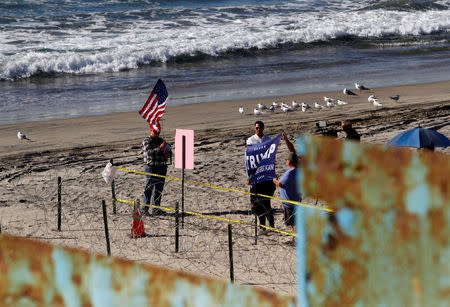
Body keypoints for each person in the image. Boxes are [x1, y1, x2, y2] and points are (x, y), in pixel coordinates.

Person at [245, 121, 295, 233]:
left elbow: (271, 156)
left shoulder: (268, 139)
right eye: (257, 128)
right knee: (258, 204)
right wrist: (249, 176)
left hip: (266, 176)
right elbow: (249, 160)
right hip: (256, 176)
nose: (259, 130)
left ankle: (271, 226)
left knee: (267, 203)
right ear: (254, 128)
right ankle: (262, 227)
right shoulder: (250, 140)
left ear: (263, 128)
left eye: (260, 128)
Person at [141, 122, 171, 215]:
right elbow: (149, 152)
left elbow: (169, 151)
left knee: (159, 188)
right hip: (151, 167)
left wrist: (167, 153)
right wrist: (159, 148)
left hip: (162, 166)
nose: (157, 134)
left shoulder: (161, 140)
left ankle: (156, 209)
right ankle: (144, 209)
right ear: (151, 131)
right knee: (149, 188)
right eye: (155, 132)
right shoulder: (146, 141)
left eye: (158, 132)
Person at [273, 152, 301, 245]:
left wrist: (274, 180)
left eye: (287, 159)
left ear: (290, 161)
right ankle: (294, 239)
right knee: (294, 222)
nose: (286, 161)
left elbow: (280, 183)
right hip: (295, 199)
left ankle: (294, 240)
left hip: (289, 202)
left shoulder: (290, 172)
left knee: (293, 223)